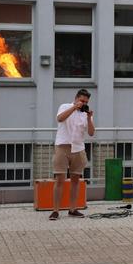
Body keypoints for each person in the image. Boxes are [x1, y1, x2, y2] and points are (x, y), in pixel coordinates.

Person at [49, 89, 95, 220]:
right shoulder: (65, 106)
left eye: (86, 102)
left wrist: (89, 118)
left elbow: (91, 133)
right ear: (76, 99)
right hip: (62, 147)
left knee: (75, 181)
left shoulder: (86, 114)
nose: (84, 103)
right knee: (60, 180)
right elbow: (59, 118)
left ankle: (73, 209)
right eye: (82, 100)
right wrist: (75, 107)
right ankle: (55, 210)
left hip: (79, 148)